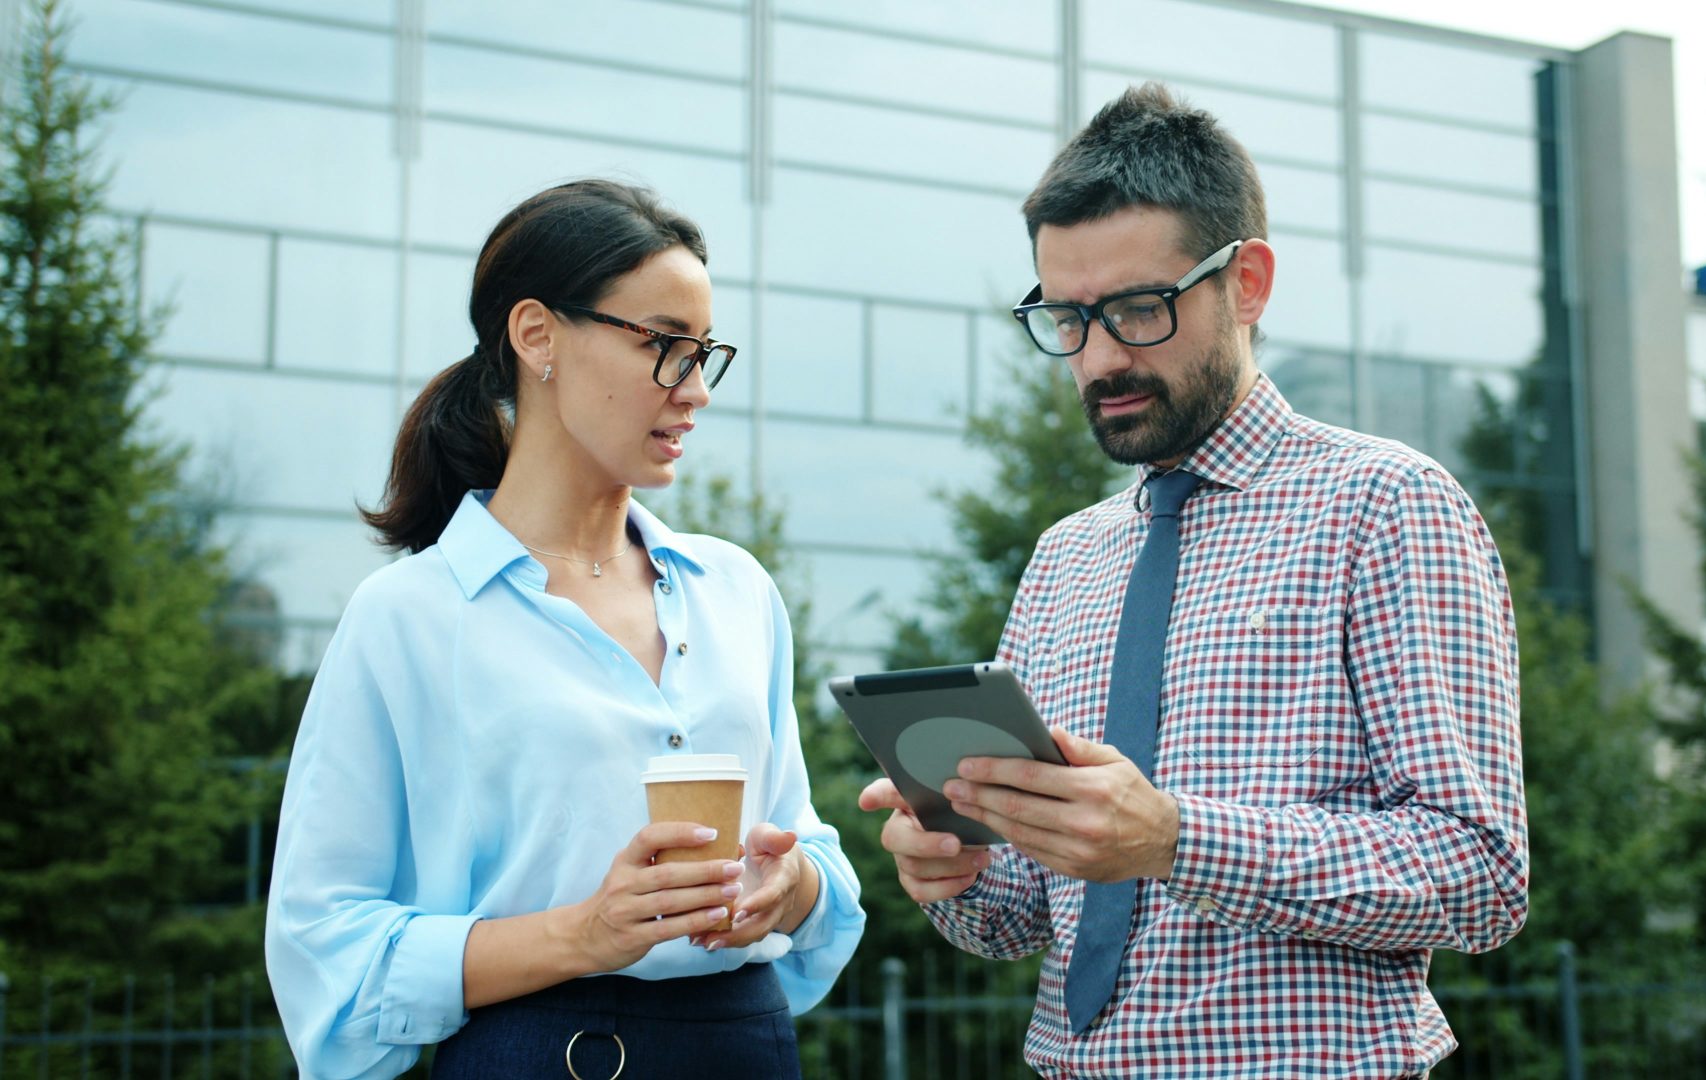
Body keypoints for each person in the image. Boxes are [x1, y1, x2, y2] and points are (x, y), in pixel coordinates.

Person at [858, 84, 1527, 1078]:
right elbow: (1022, 919)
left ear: (1247, 283)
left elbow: (1479, 875)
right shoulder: (1065, 558)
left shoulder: (1387, 506)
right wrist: (957, 874)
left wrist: (1174, 839)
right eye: (1068, 318)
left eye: (1137, 308)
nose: (1099, 357)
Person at [265, 179, 863, 1080]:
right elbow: (325, 945)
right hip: (542, 1055)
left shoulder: (736, 591)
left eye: (705, 354)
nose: (695, 390)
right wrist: (584, 934)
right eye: (665, 346)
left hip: (748, 1048)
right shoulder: (410, 620)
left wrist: (792, 887)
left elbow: (806, 849)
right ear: (537, 335)